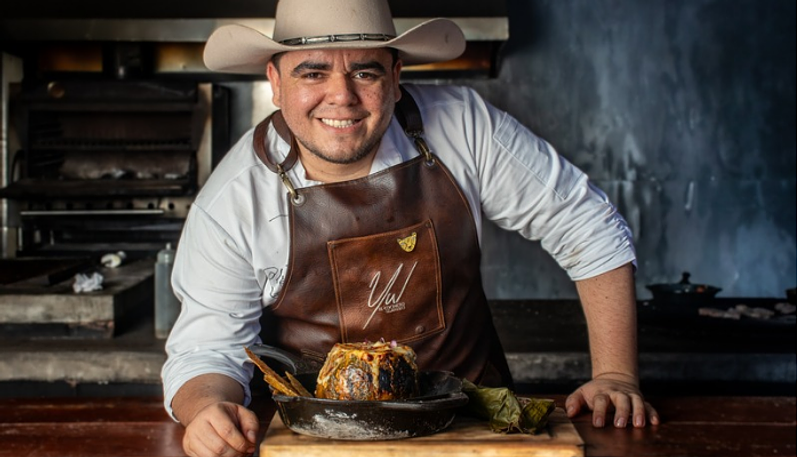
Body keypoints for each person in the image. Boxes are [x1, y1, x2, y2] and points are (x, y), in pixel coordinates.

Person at [161, 0, 660, 455]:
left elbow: (587, 224)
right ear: (275, 80)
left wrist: (616, 375)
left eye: (365, 71)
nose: (342, 96)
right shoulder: (232, 201)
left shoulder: (462, 125)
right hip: (317, 440)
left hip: (472, 429)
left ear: (396, 75)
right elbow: (207, 351)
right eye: (312, 73)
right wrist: (207, 409)